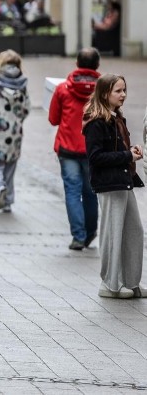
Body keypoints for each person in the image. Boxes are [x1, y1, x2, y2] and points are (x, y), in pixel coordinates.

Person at [83, 74, 144, 299]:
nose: (123, 95)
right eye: (118, 91)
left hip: (123, 180)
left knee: (133, 232)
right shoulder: (96, 122)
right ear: (105, 93)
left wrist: (130, 153)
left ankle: (131, 281)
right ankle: (110, 283)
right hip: (109, 183)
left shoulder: (116, 117)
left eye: (124, 90)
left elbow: (117, 150)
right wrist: (127, 155)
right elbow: (96, 157)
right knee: (112, 232)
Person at [48, 48, 101, 250]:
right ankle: (90, 232)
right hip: (93, 149)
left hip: (68, 148)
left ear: (77, 63)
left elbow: (53, 119)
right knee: (91, 192)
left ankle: (78, 237)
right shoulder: (103, 90)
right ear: (97, 65)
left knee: (72, 191)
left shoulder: (63, 89)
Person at [0, 50, 30, 213]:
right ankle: (8, 201)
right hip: (15, 132)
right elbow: (26, 108)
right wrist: (18, 121)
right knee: (10, 165)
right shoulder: (23, 84)